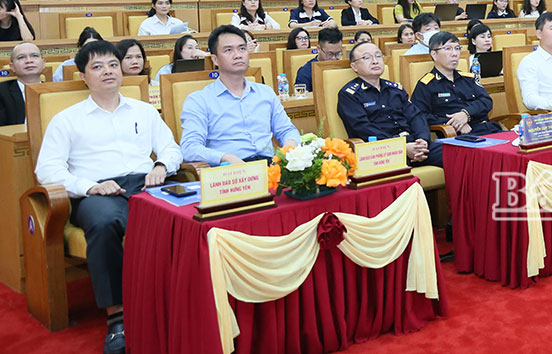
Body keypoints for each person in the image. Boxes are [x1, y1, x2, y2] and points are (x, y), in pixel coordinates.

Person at [35, 39, 181, 354]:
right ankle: (118, 319)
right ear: (83, 76)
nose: (108, 71)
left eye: (113, 64)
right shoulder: (67, 119)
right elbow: (46, 170)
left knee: (187, 213)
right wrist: (89, 186)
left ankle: (182, 301)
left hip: (145, 184)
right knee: (104, 224)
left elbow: (171, 148)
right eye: (98, 67)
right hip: (96, 192)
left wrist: (161, 166)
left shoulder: (144, 110)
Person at [181, 26, 301, 164]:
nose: (238, 55)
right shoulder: (199, 100)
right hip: (230, 170)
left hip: (271, 167)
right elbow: (189, 148)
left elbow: (287, 130)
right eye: (228, 50)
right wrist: (225, 157)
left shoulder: (265, 92)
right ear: (215, 59)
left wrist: (289, 146)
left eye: (242, 48)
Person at [338, 40, 438, 165]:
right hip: (381, 152)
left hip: (413, 145)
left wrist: (422, 141)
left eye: (378, 56)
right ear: (354, 66)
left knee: (455, 152)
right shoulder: (349, 95)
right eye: (367, 58)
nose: (375, 61)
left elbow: (416, 116)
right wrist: (401, 147)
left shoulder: (396, 89)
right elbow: (363, 128)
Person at [411, 31, 503, 141]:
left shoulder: (468, 79)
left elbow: (486, 101)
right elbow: (420, 116)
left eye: (457, 48)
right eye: (448, 49)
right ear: (434, 54)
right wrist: (454, 122)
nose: (454, 54)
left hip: (488, 129)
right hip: (460, 137)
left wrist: (466, 114)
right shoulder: (426, 85)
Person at [0, 42, 42, 125]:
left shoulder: (55, 92)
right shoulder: (2, 92)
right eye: (21, 57)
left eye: (34, 56)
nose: (29, 61)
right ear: (12, 67)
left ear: (43, 63)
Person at [294, 27, 345, 92]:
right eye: (329, 54)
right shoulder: (305, 72)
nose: (334, 58)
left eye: (338, 53)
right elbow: (302, 96)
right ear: (318, 48)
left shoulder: (344, 68)